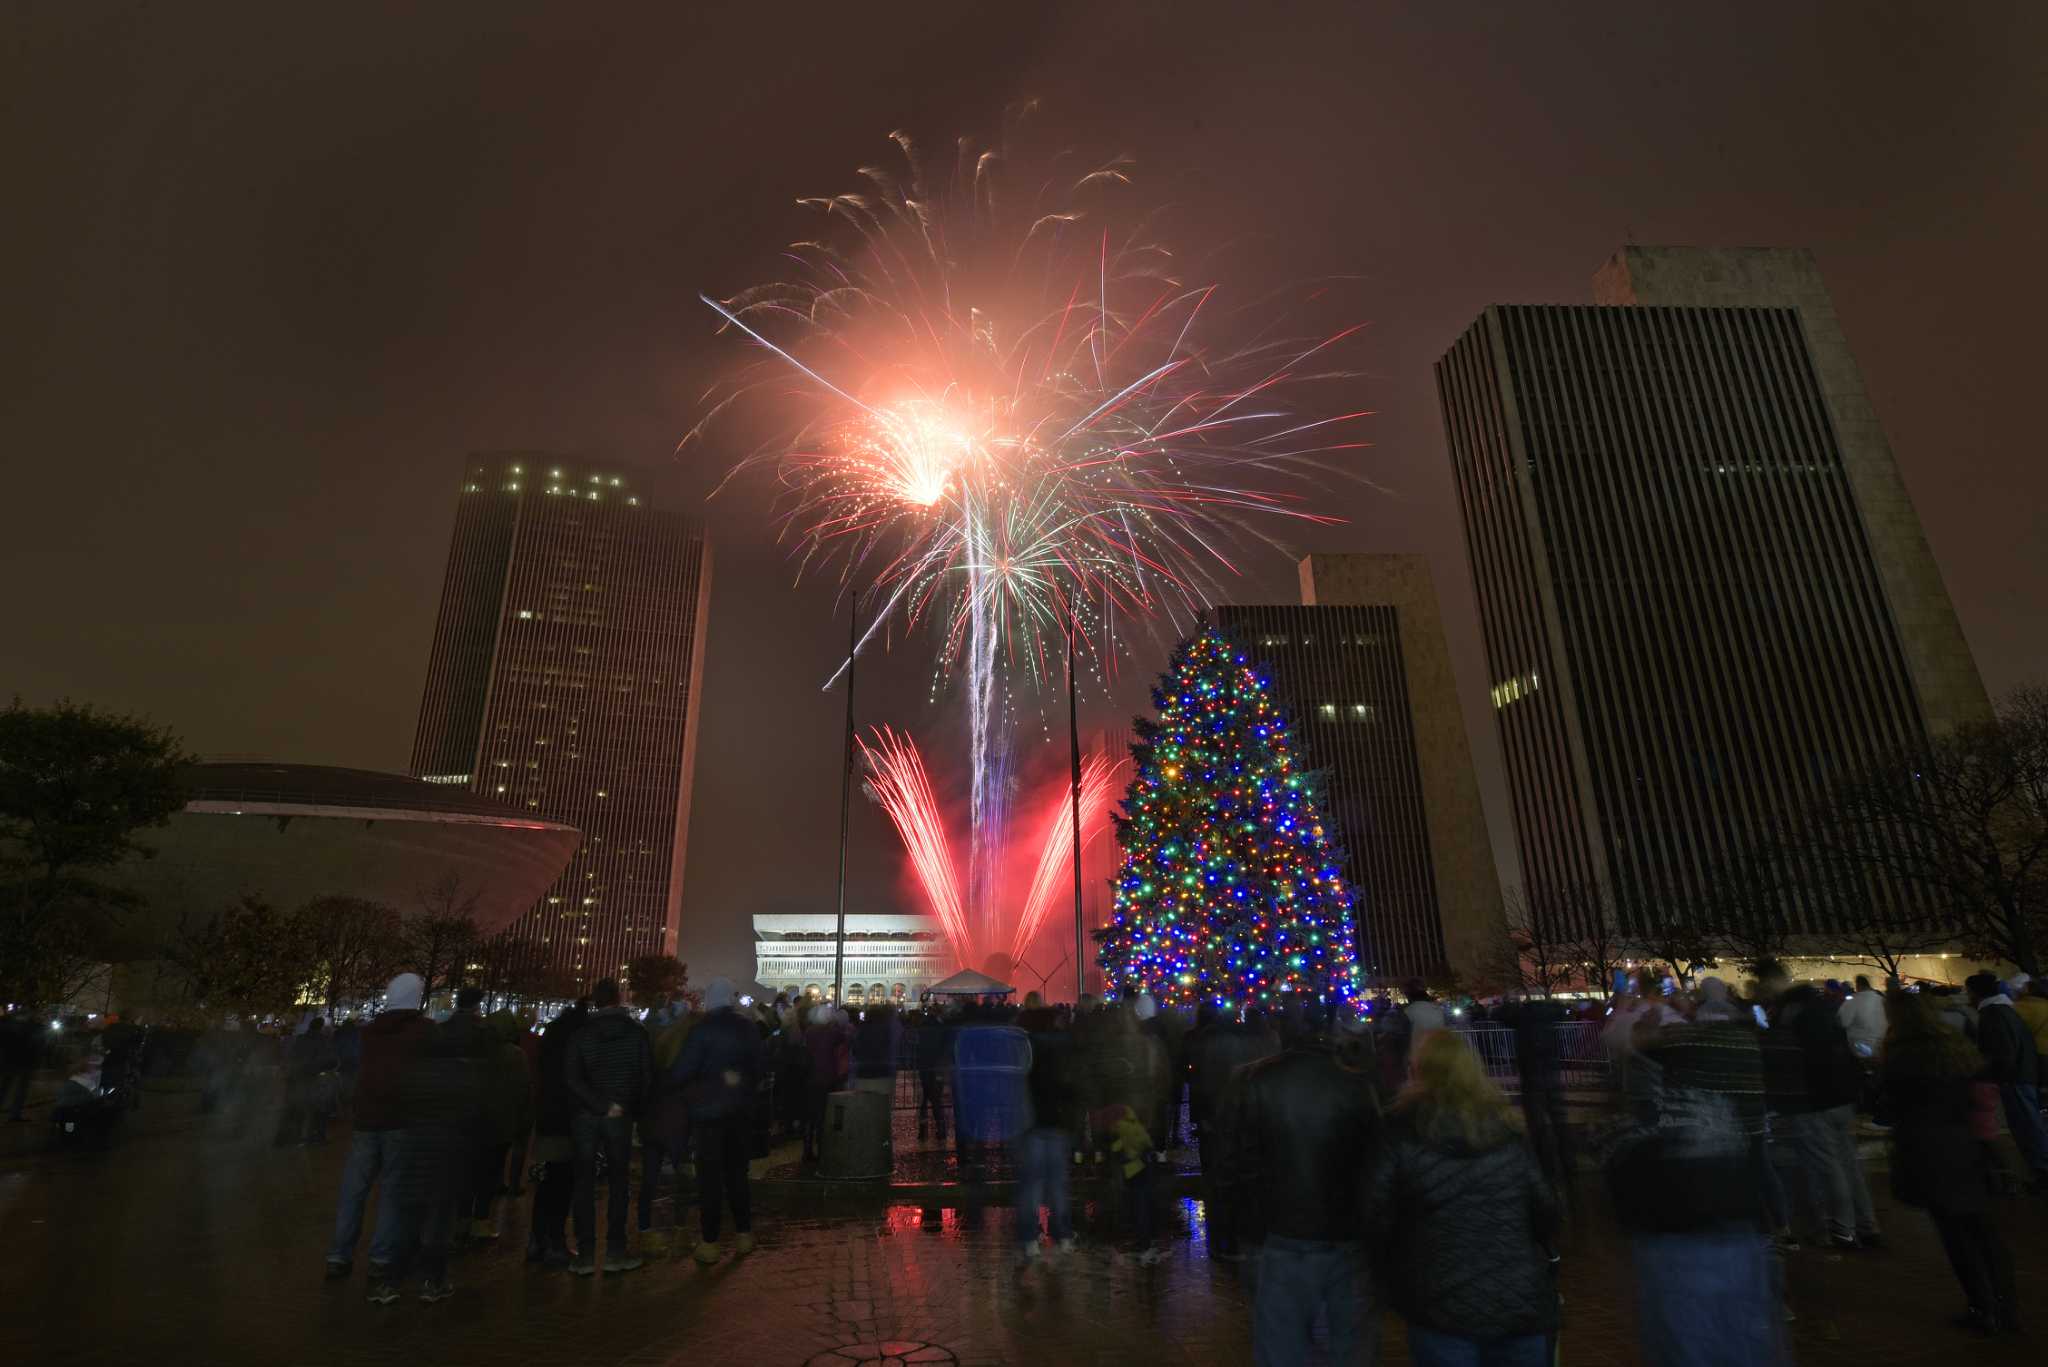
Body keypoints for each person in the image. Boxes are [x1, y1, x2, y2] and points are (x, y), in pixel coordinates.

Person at [1365, 1031, 1559, 1367]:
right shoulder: (1506, 1129)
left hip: (1439, 1299)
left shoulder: (1400, 1131)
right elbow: (1546, 1211)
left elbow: (1376, 1213)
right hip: (1517, 1296)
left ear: (1417, 1071)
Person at [1607, 1011, 1781, 1367]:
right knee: (1746, 1336)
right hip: (1736, 1237)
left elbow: (1624, 1189)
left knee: (1688, 1341)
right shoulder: (1720, 1112)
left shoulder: (1645, 1121)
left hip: (1677, 1248)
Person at [1225, 1005, 1382, 1366]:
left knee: (1282, 1345)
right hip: (1346, 1231)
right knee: (1354, 1345)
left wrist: (1240, 1226)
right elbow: (1375, 1160)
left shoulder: (1258, 1081)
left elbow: (1237, 1161)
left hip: (1283, 1230)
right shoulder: (1356, 1082)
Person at [1881, 994, 2017, 1333]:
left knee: (1956, 1236)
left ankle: (1982, 1307)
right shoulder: (1958, 1048)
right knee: (1984, 1233)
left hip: (1928, 1151)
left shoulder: (1902, 1055)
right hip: (1968, 1147)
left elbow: (1886, 1108)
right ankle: (2005, 1307)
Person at [327, 973, 431, 1290]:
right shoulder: (423, 1031)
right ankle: (381, 1257)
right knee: (392, 1190)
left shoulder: (370, 1032)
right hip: (401, 1119)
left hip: (366, 1118)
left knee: (353, 1190)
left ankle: (339, 1254)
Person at [667, 976, 766, 1264]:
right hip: (739, 1112)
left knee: (709, 1178)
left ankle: (710, 1242)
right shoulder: (747, 1027)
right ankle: (744, 1235)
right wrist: (741, 1081)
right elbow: (760, 1067)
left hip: (708, 1115)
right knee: (737, 1173)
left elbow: (683, 1070)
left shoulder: (701, 1029)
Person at [1775, 985, 1880, 1249]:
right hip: (1842, 1100)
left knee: (1829, 1167)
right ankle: (1867, 1225)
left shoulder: (1801, 1026)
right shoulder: (1831, 1018)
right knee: (1849, 1164)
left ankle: (1842, 1229)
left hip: (1817, 1102)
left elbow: (1803, 1066)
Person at [564, 978, 652, 1275]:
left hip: (586, 1116)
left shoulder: (581, 1034)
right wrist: (628, 1109)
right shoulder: (636, 1033)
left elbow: (572, 1078)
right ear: (618, 998)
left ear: (595, 1001)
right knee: (619, 1182)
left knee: (584, 1183)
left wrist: (597, 1104)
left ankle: (585, 1254)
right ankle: (615, 1251)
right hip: (620, 1115)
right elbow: (645, 1077)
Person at [1187, 1004, 1280, 1260]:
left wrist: (1201, 1117)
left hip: (1217, 1116)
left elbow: (1201, 1083)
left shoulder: (1209, 1043)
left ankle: (1223, 1240)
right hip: (1239, 1117)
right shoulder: (1257, 1042)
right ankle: (1237, 1237)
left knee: (1218, 1180)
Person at [1965, 972, 2045, 1188]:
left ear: (1975, 992)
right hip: (2021, 1074)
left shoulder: (1993, 1014)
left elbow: (2003, 1052)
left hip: (2015, 1077)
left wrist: (1993, 1074)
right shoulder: (2004, 1010)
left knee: (2027, 1125)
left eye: (1969, 992)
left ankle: (2042, 1170)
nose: (1967, 997)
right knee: (2028, 1124)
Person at [527, 999, 589, 1267]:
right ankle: (555, 1242)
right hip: (570, 1121)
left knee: (548, 1182)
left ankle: (536, 1240)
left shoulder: (549, 1044)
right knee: (563, 1184)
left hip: (547, 1119)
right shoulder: (577, 1049)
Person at [1015, 1005, 1079, 1261]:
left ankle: (1030, 1238)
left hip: (1031, 1123)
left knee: (1031, 1185)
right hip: (1056, 1122)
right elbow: (1070, 1086)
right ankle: (1063, 1235)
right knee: (1058, 1184)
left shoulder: (1024, 1049)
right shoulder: (1063, 1048)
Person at [470, 1011, 532, 1242]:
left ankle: (462, 1220)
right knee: (490, 1172)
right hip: (502, 1120)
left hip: (475, 1120)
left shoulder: (477, 1051)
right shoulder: (516, 1055)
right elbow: (523, 1089)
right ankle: (481, 1222)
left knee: (471, 1172)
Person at [802, 1002, 851, 1163]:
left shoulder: (809, 1032)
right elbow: (847, 1040)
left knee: (811, 1114)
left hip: (811, 1077)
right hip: (828, 1077)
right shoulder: (832, 1033)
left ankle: (807, 1148)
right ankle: (823, 1148)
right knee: (824, 1115)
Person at [277, 1016, 337, 1146]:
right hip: (317, 1079)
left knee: (298, 1109)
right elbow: (330, 1060)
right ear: (321, 1028)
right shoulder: (324, 1041)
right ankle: (315, 1137)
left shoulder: (300, 1039)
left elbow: (291, 1057)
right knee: (319, 1110)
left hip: (299, 1078)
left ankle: (294, 1137)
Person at [2, 1008, 40, 1121]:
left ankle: (14, 1113)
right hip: (24, 1062)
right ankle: (15, 1114)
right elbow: (34, 1044)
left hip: (9, 1061)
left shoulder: (8, 1025)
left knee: (5, 1087)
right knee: (20, 1089)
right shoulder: (31, 1026)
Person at [1841, 975, 1889, 1059]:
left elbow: (1842, 1022)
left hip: (1862, 1047)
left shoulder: (1853, 1001)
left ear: (1857, 985)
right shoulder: (1881, 999)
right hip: (1882, 1046)